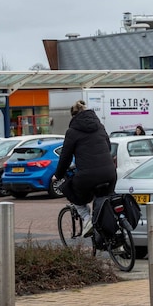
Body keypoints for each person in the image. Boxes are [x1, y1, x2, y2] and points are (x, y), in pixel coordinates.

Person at [52, 100, 117, 238]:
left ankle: (87, 219)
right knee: (105, 200)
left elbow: (65, 157)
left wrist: (58, 175)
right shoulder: (100, 126)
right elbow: (108, 147)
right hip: (110, 173)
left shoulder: (72, 131)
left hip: (88, 176)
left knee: (69, 189)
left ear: (73, 116)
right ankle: (113, 238)